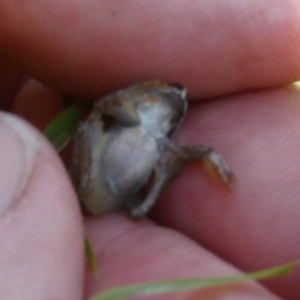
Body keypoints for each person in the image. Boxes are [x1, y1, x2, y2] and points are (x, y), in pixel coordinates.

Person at [0, 1, 299, 299]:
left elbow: (191, 151)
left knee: (150, 170)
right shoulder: (131, 113)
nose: (173, 98)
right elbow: (103, 109)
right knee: (89, 124)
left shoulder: (163, 140)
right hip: (97, 184)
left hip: (123, 200)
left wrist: (209, 156)